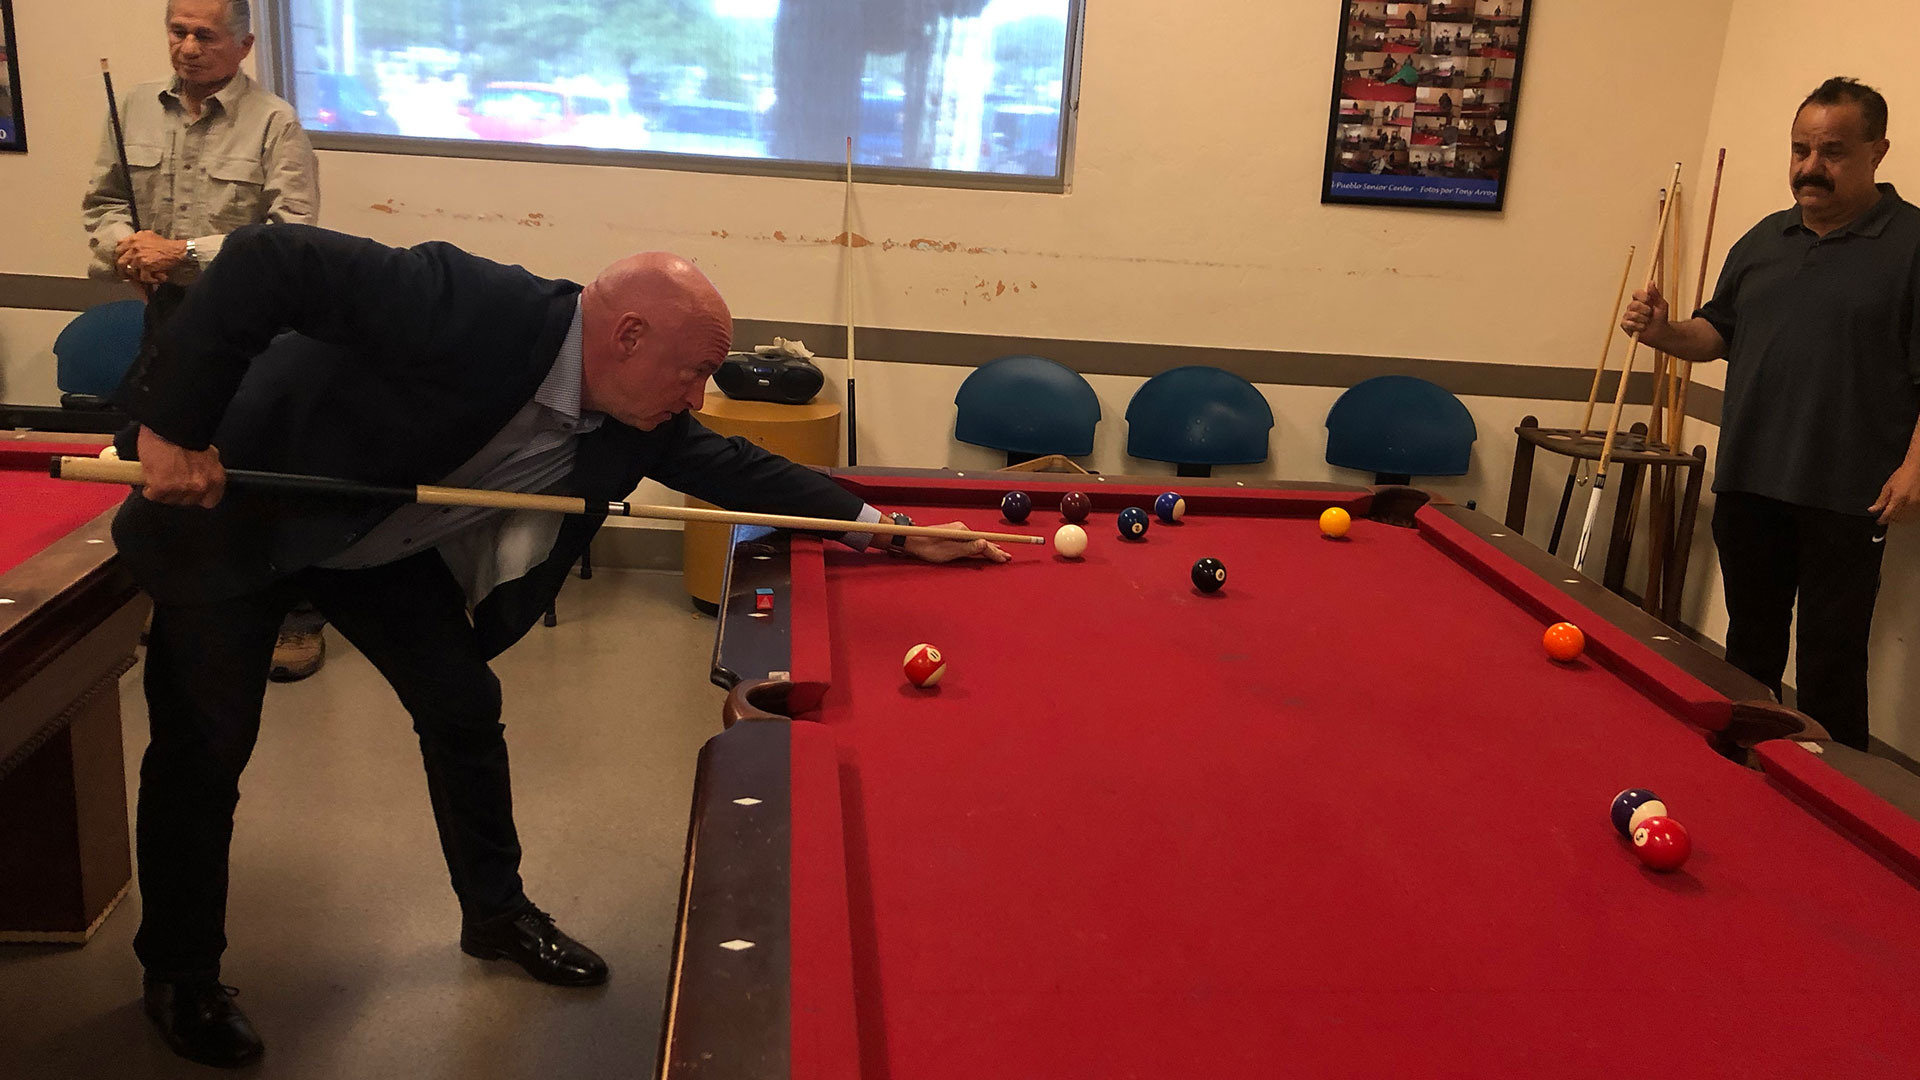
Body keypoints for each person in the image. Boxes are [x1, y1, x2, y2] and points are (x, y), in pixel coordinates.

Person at [114, 223, 1012, 1068]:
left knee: (463, 705)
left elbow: (736, 468)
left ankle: (496, 916)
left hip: (372, 541)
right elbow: (270, 259)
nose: (698, 396)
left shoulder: (635, 411)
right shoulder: (470, 304)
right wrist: (176, 428)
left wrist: (888, 529)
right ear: (627, 335)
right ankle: (181, 976)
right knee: (206, 750)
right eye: (694, 372)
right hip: (228, 507)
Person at [1622, 77, 1920, 752]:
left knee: (1830, 660)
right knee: (1747, 649)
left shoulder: (1913, 245)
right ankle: (1738, 772)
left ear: (1878, 152)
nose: (1810, 167)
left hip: (1850, 495)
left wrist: (1914, 466)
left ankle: (1838, 797)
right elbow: (1714, 334)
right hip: (1751, 480)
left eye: (1833, 151)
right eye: (1800, 150)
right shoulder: (1762, 240)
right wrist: (1665, 331)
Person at [82, 0, 330, 681]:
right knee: (157, 462)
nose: (189, 47)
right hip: (165, 319)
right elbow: (100, 206)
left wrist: (184, 252)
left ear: (244, 45)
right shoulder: (130, 107)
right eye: (178, 31)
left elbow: (291, 234)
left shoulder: (274, 122)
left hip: (251, 333)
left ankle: (294, 616)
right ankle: (171, 602)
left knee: (255, 469)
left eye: (206, 35)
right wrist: (126, 248)